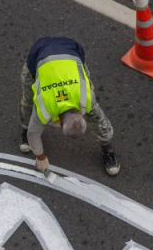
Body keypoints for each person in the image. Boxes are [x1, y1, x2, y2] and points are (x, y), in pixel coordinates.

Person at [18, 37, 120, 176]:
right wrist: (40, 157)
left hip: (72, 51)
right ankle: (24, 129)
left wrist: (41, 156)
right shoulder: (45, 106)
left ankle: (107, 147)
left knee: (95, 115)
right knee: (28, 101)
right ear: (59, 122)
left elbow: (98, 119)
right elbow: (33, 133)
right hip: (39, 53)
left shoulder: (87, 98)